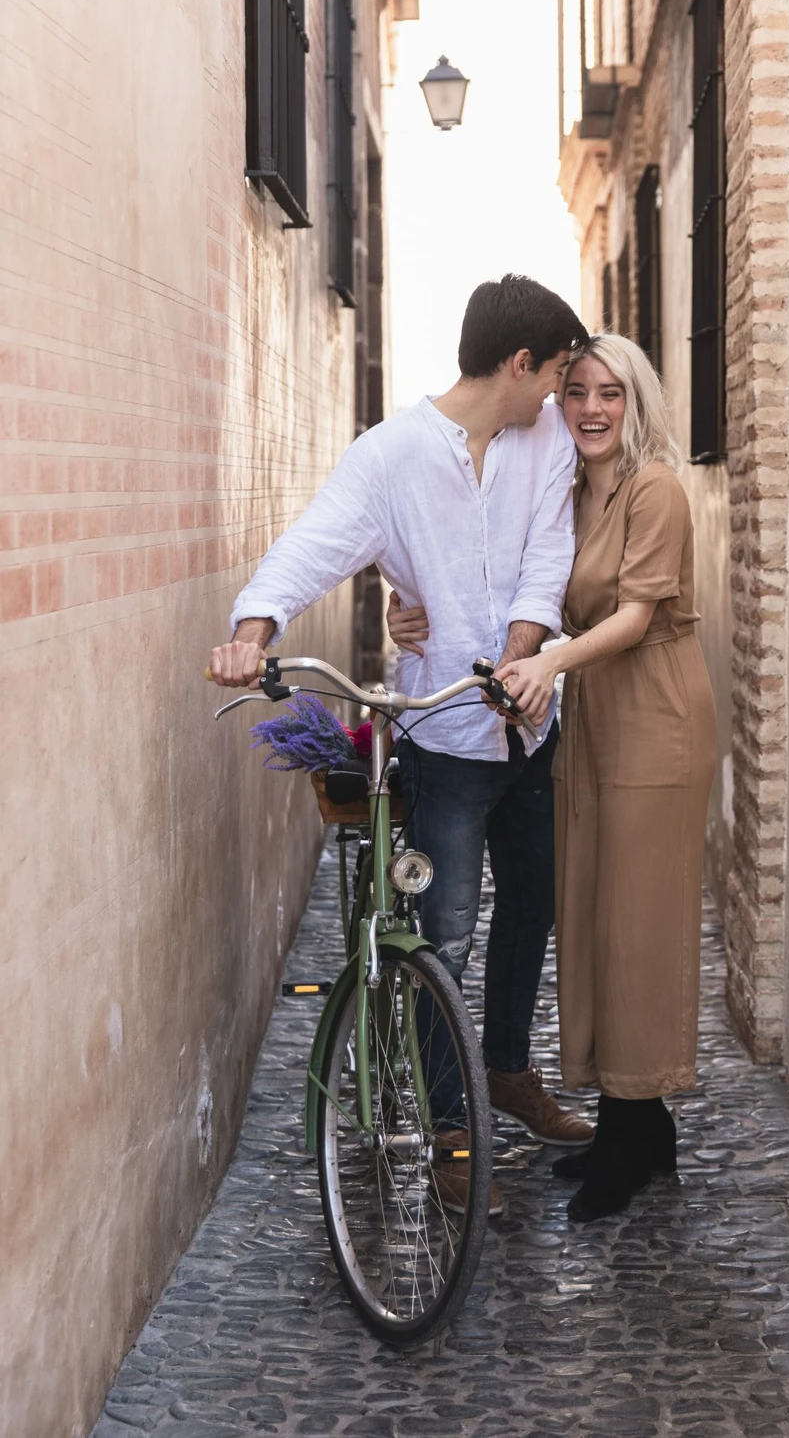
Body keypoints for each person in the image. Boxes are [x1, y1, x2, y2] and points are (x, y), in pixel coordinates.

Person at [208, 274, 595, 1217]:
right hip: (443, 736)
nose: (560, 394)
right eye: (553, 376)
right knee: (444, 939)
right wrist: (253, 629)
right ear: (519, 364)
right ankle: (452, 1136)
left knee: (532, 909)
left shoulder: (541, 443)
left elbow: (548, 558)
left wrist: (519, 667)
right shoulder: (389, 458)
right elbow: (314, 544)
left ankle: (505, 1069)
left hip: (528, 724)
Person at [497, 335, 717, 1222]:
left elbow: (632, 618)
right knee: (597, 912)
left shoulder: (655, 488)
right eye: (576, 391)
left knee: (640, 925)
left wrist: (548, 664)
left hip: (655, 715)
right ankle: (644, 1126)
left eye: (610, 394)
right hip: (596, 723)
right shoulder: (569, 492)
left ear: (638, 403)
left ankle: (628, 1136)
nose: (590, 408)